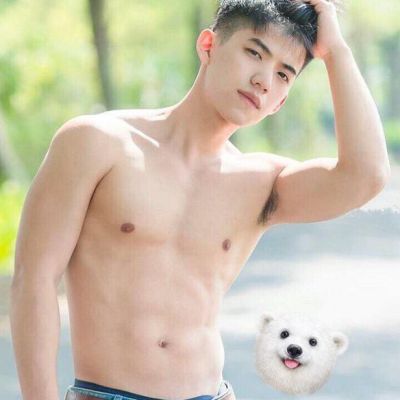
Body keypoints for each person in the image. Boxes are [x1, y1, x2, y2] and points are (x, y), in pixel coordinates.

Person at [10, 1, 390, 400]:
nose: (263, 80)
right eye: (254, 53)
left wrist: (336, 52)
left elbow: (366, 176)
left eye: (283, 74)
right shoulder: (97, 142)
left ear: (280, 102)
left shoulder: (262, 182)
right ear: (208, 45)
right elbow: (34, 279)